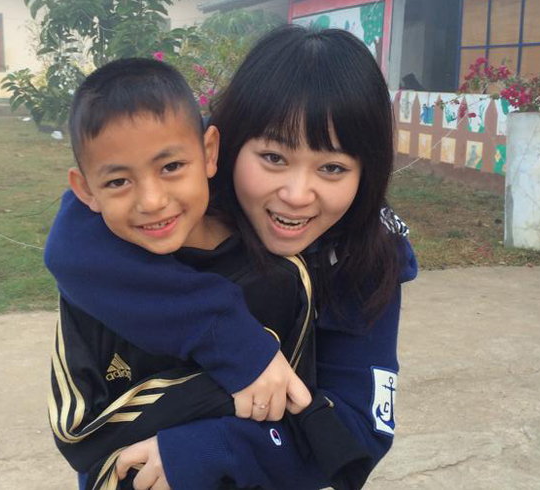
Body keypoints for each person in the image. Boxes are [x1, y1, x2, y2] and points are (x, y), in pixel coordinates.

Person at [46, 26, 418, 490]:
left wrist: (209, 449)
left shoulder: (367, 256)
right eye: (273, 158)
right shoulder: (180, 192)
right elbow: (72, 240)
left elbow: (358, 431)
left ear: (369, 171)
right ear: (221, 148)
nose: (297, 195)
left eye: (332, 168)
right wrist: (231, 339)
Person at [47, 57, 315, 490]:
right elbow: (79, 435)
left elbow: (299, 413)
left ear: (209, 153)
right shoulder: (92, 289)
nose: (152, 200)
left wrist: (204, 442)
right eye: (118, 182)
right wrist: (223, 387)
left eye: (171, 167)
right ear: (85, 190)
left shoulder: (278, 275)